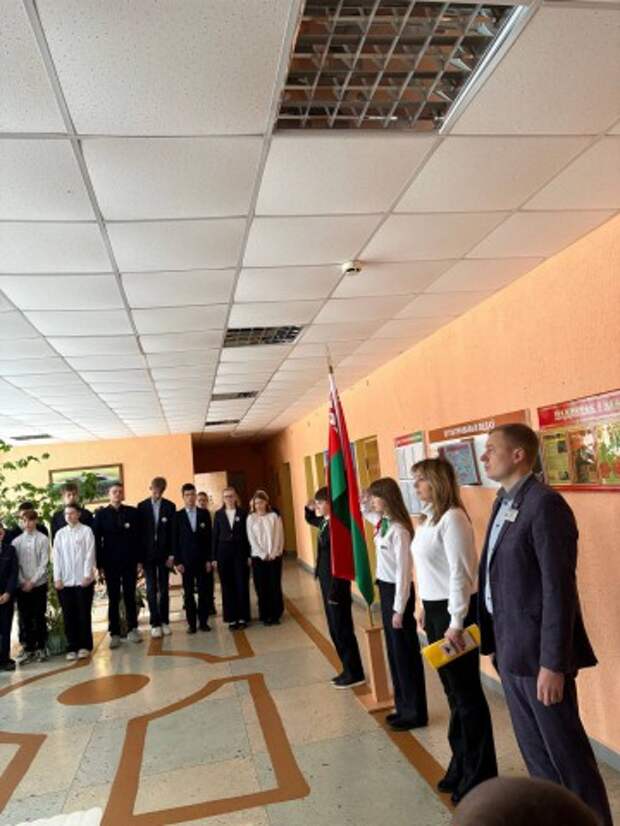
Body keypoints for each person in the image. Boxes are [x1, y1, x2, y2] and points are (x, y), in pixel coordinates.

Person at [478, 424, 612, 826]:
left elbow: (558, 590)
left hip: (540, 660)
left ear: (518, 455)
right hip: (510, 652)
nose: (484, 457)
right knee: (538, 761)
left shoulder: (545, 505)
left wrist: (553, 663)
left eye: (491, 449)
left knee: (569, 761)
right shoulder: (503, 502)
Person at [411, 458, 497, 803]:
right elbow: (427, 569)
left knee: (466, 694)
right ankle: (461, 761)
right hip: (436, 612)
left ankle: (480, 774)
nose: (416, 486)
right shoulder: (428, 518)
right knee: (452, 694)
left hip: (454, 613)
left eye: (421, 480)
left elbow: (461, 574)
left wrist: (456, 622)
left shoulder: (453, 518)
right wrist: (422, 605)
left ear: (437, 481)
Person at [362, 478, 428, 730]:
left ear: (388, 498)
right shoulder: (383, 523)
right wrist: (364, 498)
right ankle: (402, 707)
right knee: (394, 652)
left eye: (376, 496)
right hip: (387, 590)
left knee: (405, 654)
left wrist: (399, 609)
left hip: (398, 594)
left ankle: (415, 713)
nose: (373, 501)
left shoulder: (399, 530)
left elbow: (403, 573)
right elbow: (365, 512)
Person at [304, 487, 365, 689]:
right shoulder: (325, 522)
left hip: (336, 585)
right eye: (316, 503)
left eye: (320, 503)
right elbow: (311, 519)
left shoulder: (338, 527)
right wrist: (308, 508)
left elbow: (340, 560)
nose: (317, 506)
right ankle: (347, 669)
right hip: (326, 583)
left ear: (331, 504)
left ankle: (355, 673)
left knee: (342, 628)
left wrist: (336, 589)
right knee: (334, 628)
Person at [93, 483, 142, 649]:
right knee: (113, 598)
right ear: (109, 494)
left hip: (129, 561)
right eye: (114, 491)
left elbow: (138, 538)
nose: (117, 494)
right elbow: (97, 541)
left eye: (120, 492)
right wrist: (99, 565)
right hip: (110, 562)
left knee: (130, 596)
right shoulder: (101, 515)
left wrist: (139, 561)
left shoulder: (132, 512)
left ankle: (133, 629)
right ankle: (114, 633)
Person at [53, 504, 96, 661]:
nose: (69, 516)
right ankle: (72, 646)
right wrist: (57, 578)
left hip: (83, 581)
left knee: (83, 614)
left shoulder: (86, 531)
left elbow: (90, 554)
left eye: (72, 513)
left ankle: (85, 646)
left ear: (78, 514)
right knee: (68, 615)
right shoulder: (60, 534)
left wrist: (87, 575)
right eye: (66, 514)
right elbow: (56, 557)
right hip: (65, 582)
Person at [137, 477, 176, 639]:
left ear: (163, 491)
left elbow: (173, 533)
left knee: (164, 589)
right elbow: (139, 535)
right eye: (154, 490)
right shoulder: (142, 507)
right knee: (151, 589)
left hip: (164, 555)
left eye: (160, 491)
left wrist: (172, 555)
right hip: (148, 556)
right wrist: (139, 559)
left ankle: (165, 621)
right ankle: (155, 623)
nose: (157, 494)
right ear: (150, 488)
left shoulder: (170, 506)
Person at [12, 509, 49, 665]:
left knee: (39, 616)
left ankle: (41, 647)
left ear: (36, 521)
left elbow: (44, 563)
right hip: (22, 586)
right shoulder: (16, 542)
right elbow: (15, 566)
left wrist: (32, 581)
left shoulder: (43, 539)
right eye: (24, 521)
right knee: (25, 617)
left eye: (30, 520)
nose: (27, 524)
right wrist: (23, 581)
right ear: (21, 522)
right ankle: (28, 649)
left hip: (39, 584)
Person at [175, 483, 212, 633]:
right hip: (186, 562)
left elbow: (209, 538)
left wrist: (209, 559)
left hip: (203, 561)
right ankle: (191, 624)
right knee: (188, 594)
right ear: (183, 497)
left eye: (192, 494)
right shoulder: (177, 516)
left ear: (196, 496)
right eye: (187, 495)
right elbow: (175, 541)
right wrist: (178, 562)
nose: (190, 498)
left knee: (204, 592)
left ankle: (203, 622)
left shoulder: (204, 514)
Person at [212, 487, 251, 630]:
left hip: (240, 552)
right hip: (223, 554)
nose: (229, 499)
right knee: (227, 586)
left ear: (235, 497)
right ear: (223, 499)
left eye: (231, 496)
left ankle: (243, 617)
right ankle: (231, 618)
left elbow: (248, 536)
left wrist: (249, 555)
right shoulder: (218, 514)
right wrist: (214, 557)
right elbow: (215, 536)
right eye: (226, 496)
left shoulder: (243, 513)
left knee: (242, 584)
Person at [247, 490, 284, 626]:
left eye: (261, 502)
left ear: (266, 503)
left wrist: (274, 553)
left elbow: (279, 536)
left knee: (274, 585)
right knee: (262, 587)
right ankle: (265, 615)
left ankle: (276, 614)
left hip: (274, 557)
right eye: (256, 503)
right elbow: (252, 539)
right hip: (258, 557)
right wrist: (262, 554)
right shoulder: (251, 518)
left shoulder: (274, 516)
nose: (259, 505)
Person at [0, 523, 18, 672]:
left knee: (6, 629)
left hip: (7, 596)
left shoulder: (10, 550)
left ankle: (5, 659)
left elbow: (14, 573)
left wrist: (7, 592)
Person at [196, 490, 216, 615]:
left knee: (209, 581)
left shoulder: (212, 515)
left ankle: (210, 604)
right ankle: (202, 605)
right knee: (200, 583)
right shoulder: (194, 515)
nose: (202, 502)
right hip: (197, 554)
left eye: (204, 500)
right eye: (200, 500)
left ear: (207, 501)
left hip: (209, 553)